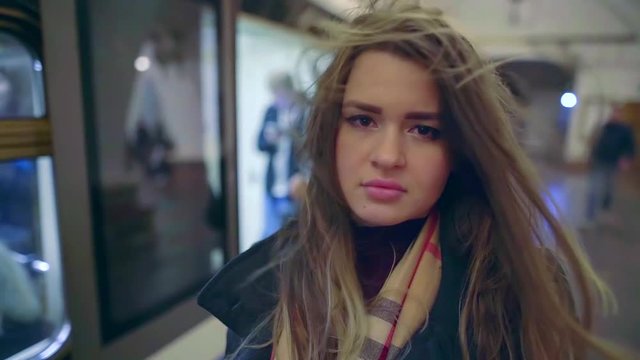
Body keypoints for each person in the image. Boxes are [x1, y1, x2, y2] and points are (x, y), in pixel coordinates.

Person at [199, 3, 621, 359]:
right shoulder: (269, 273)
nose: (387, 156)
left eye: (424, 130)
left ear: (459, 149)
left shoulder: (513, 288)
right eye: (363, 120)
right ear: (331, 132)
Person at [257, 73, 307, 238]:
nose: (276, 99)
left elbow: (310, 148)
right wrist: (269, 138)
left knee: (293, 237)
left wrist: (288, 132)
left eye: (278, 94)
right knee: (268, 238)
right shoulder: (271, 111)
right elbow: (259, 145)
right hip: (272, 187)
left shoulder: (303, 111)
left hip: (294, 186)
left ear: (288, 91)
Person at [586, 105, 635, 224]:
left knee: (609, 189)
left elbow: (630, 147)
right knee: (594, 188)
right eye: (613, 113)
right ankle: (590, 215)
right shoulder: (604, 127)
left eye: (618, 113)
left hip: (613, 163)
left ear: (621, 115)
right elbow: (595, 141)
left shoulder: (625, 130)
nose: (615, 115)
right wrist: (592, 155)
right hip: (599, 161)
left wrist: (626, 159)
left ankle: (605, 211)